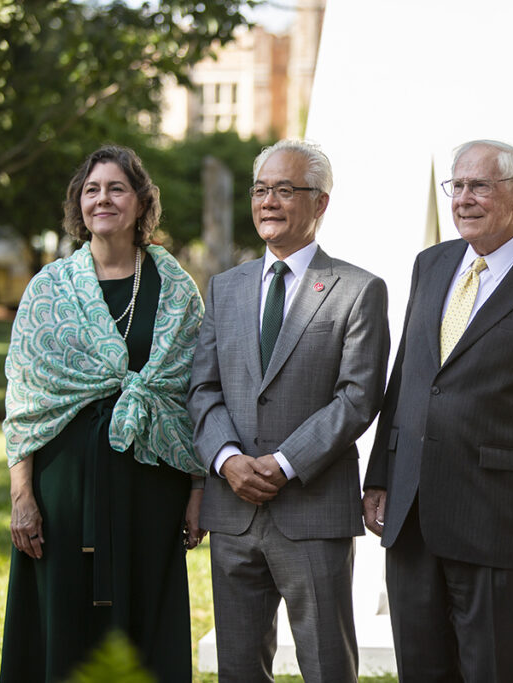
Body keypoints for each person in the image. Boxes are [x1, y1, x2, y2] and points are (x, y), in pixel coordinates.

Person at [362, 139, 513, 683]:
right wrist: (379, 475)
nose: (464, 199)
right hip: (412, 512)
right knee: (421, 670)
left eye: (479, 186)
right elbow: (408, 377)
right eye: (457, 186)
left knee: (496, 670)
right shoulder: (432, 263)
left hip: (500, 519)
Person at [0, 145, 207, 682]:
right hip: (62, 487)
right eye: (92, 190)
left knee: (144, 619)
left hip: (150, 485)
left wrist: (197, 493)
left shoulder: (177, 291)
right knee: (64, 619)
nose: (103, 199)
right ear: (79, 205)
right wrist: (23, 496)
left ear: (141, 202)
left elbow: (196, 395)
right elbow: (24, 400)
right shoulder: (48, 290)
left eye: (116, 188)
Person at [187, 139, 390, 683]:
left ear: (320, 202)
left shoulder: (358, 290)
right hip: (233, 511)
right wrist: (228, 460)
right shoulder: (224, 288)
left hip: (312, 507)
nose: (268, 202)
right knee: (238, 666)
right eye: (260, 190)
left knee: (326, 664)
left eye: (284, 190)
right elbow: (202, 389)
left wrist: (284, 463)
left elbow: (358, 396)